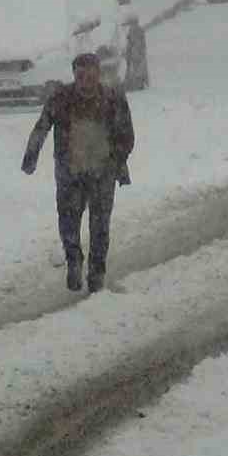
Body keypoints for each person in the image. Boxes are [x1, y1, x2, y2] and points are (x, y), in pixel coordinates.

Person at [20, 53, 135, 293]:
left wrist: (118, 159)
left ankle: (97, 273)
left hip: (103, 172)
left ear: (98, 76)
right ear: (74, 75)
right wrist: (31, 156)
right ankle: (74, 261)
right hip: (70, 172)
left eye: (91, 76)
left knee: (100, 226)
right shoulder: (61, 98)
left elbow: (126, 134)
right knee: (68, 222)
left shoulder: (112, 99)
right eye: (81, 76)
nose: (86, 82)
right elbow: (42, 126)